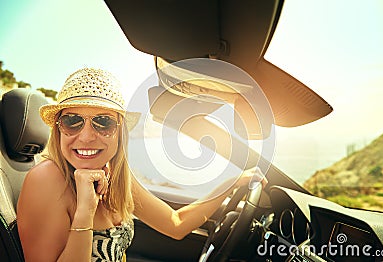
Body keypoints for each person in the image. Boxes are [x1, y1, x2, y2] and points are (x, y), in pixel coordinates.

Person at [17, 67, 266, 262]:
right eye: (72, 120)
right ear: (58, 129)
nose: (85, 136)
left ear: (120, 132)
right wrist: (85, 211)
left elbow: (175, 224)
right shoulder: (46, 180)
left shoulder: (114, 175)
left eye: (103, 122)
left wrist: (232, 185)